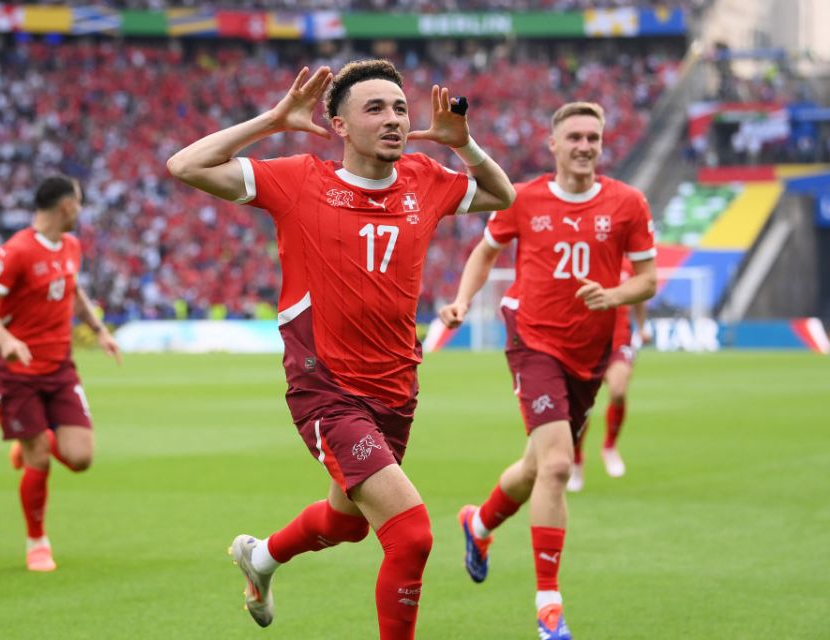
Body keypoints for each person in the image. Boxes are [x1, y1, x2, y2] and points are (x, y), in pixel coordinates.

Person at [166, 60, 514, 638]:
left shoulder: (425, 179)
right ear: (339, 126)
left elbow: (502, 195)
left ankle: (263, 557)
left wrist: (466, 143)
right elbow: (186, 164)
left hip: (397, 389)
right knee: (412, 535)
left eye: (400, 108)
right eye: (375, 108)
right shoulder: (300, 180)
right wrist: (274, 121)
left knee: (348, 523)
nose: (394, 119)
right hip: (326, 388)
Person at [438, 102, 656, 640]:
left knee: (537, 469)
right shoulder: (523, 198)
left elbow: (647, 280)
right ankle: (549, 608)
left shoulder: (627, 203)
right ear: (553, 144)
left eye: (593, 137)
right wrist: (464, 301)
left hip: (590, 351)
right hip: (532, 339)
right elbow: (485, 254)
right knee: (559, 464)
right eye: (575, 136)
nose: (585, 145)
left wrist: (615, 294)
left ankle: (479, 522)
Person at [0, 175, 121, 572]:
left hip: (59, 368)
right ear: (66, 206)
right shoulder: (16, 251)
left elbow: (73, 289)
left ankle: (31, 435)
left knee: (81, 457)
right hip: (17, 371)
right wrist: (5, 341)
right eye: (80, 202)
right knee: (40, 457)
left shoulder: (71, 246)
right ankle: (37, 541)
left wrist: (101, 331)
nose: (82, 210)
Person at [568, 264, 651, 492]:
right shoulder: (586, 258)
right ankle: (576, 460)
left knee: (618, 391)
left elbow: (640, 295)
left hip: (619, 340)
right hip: (586, 343)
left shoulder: (629, 264)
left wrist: (642, 327)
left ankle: (609, 446)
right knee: (581, 408)